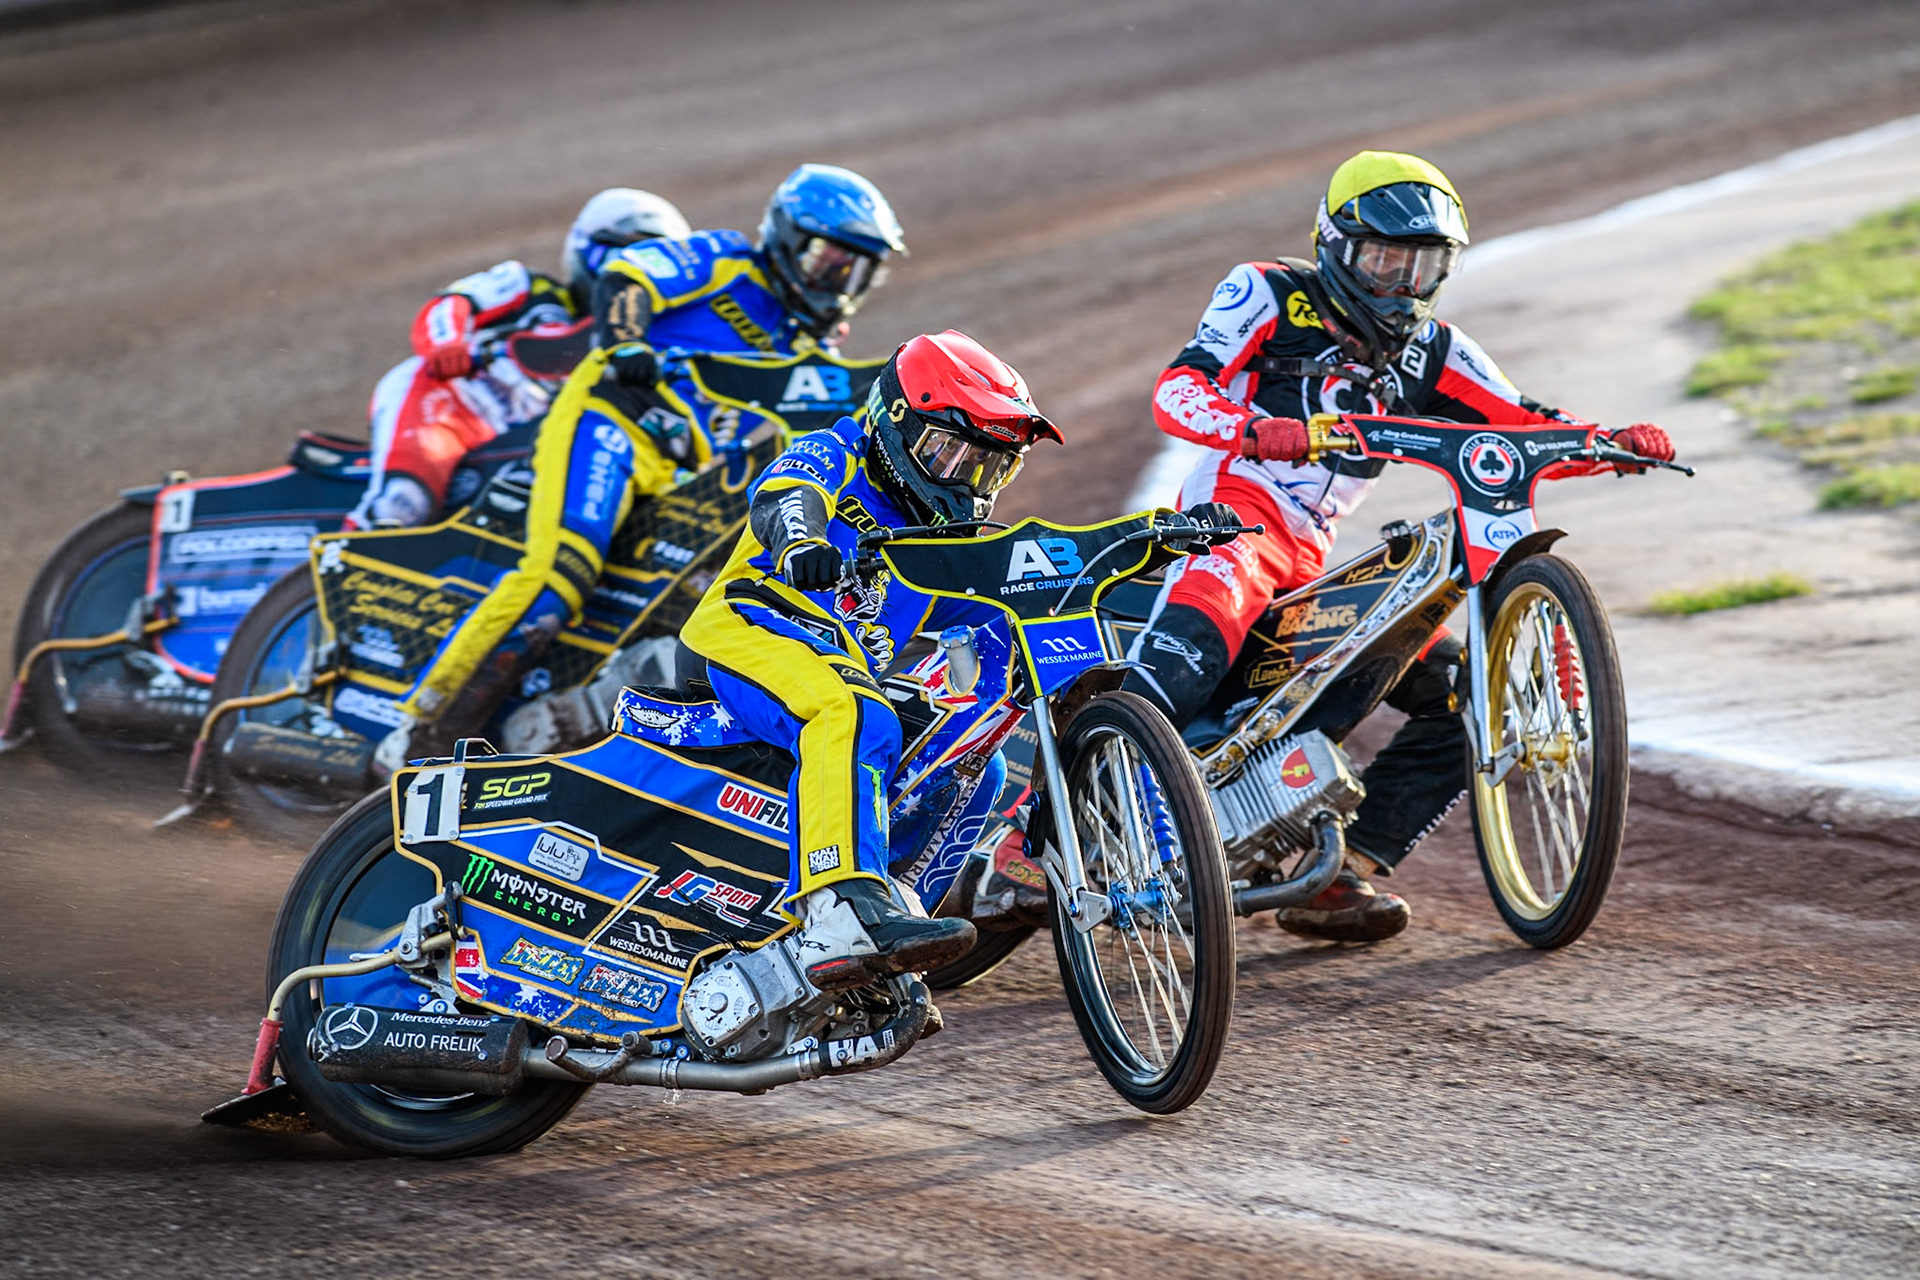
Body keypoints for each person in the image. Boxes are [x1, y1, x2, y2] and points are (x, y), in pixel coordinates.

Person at [1120, 150, 1676, 943]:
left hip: (1312, 553)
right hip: (1233, 519)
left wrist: (1609, 442)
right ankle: (1033, 833)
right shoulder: (1266, 291)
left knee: (1463, 696)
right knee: (1193, 645)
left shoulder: (1438, 348)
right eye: (1384, 259)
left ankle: (1339, 869)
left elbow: (1524, 423)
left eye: (1423, 266)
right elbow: (1179, 390)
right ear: (1335, 245)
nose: (1400, 284)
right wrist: (1254, 430)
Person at [374, 164, 906, 769]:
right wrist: (627, 342)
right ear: (787, 235)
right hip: (613, 417)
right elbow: (631, 274)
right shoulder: (727, 260)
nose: (839, 281)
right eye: (830, 260)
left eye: (859, 270)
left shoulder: (812, 354)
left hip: (682, 474)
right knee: (560, 573)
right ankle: (419, 729)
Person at [681, 330, 1063, 991]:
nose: (965, 480)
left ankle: (895, 917)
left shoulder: (938, 540)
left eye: (987, 467)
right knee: (858, 713)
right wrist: (801, 543)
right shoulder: (835, 451)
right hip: (744, 636)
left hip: (834, 671)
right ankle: (840, 910)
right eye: (950, 453)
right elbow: (785, 497)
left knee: (977, 760)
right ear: (897, 421)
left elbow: (1001, 605)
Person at [348, 188, 691, 530]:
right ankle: (354, 543)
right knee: (404, 502)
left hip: (532, 438)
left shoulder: (643, 345)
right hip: (448, 402)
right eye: (621, 254)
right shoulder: (527, 286)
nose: (630, 274)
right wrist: (448, 345)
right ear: (585, 247)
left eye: (650, 262)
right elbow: (452, 303)